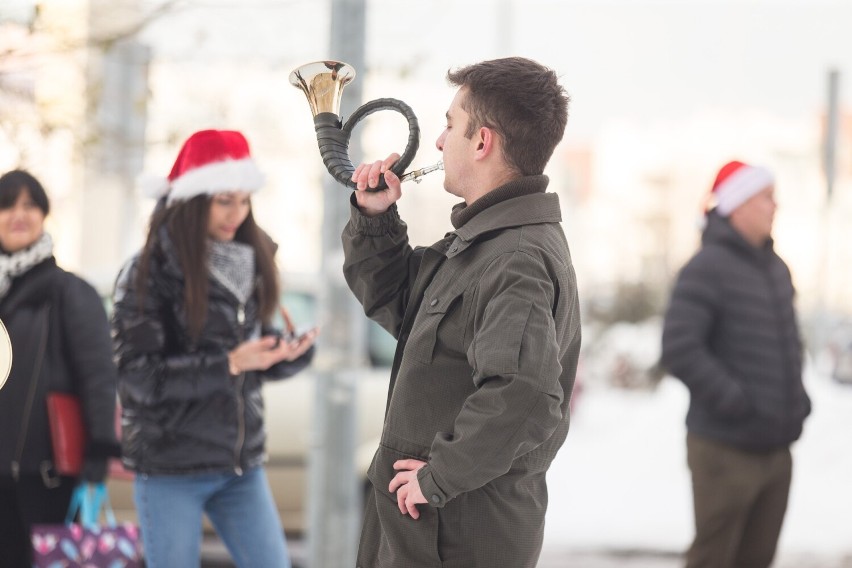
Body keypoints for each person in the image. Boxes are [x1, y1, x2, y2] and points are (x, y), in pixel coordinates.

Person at [342, 57, 582, 568]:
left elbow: (524, 394)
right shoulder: (483, 245)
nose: (437, 141)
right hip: (426, 532)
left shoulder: (516, 259)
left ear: (482, 142)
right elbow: (402, 307)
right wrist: (375, 219)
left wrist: (439, 477)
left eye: (450, 123)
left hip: (457, 537)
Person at [111, 129, 317, 568]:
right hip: (170, 468)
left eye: (244, 201)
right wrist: (228, 363)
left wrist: (285, 354)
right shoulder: (147, 273)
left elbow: (249, 367)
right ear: (194, 199)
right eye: (225, 201)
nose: (237, 214)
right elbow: (137, 379)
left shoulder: (249, 262)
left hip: (239, 468)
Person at [661, 160, 811, 568]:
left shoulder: (777, 269)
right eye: (766, 197)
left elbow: (789, 344)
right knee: (714, 559)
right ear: (737, 204)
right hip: (725, 450)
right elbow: (678, 348)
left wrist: (798, 400)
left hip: (776, 450)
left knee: (757, 559)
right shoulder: (706, 268)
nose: (774, 206)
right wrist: (736, 402)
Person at [0, 169, 120, 567]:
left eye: (30, 205)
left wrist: (99, 453)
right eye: (7, 205)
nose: (19, 214)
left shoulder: (69, 291)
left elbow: (98, 375)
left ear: (44, 215)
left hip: (46, 474)